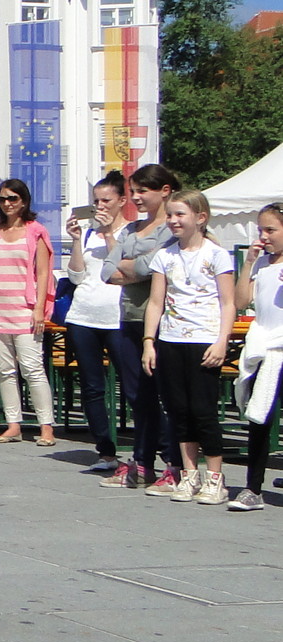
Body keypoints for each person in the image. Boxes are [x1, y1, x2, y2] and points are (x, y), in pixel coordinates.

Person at [142, 190, 235, 504]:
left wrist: (222, 341)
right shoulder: (165, 255)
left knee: (203, 411)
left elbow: (228, 302)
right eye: (170, 215)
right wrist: (149, 342)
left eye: (180, 214)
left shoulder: (216, 254)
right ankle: (188, 473)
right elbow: (155, 302)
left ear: (200, 217)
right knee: (178, 410)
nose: (173, 220)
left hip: (204, 340)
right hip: (171, 340)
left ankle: (215, 477)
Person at [102, 163, 186, 493]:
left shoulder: (172, 228)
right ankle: (142, 463)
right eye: (133, 191)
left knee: (168, 396)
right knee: (138, 395)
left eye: (142, 191)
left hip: (162, 322)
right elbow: (107, 271)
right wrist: (134, 269)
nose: (136, 197)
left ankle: (175, 464)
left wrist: (131, 268)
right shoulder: (130, 230)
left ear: (164, 191)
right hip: (129, 318)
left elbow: (153, 266)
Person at [0, 179, 56, 446]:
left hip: (25, 307)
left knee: (32, 368)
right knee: (5, 370)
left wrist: (39, 308)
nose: (7, 203)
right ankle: (13, 424)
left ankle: (46, 427)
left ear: (24, 201)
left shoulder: (35, 231)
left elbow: (43, 272)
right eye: (3, 199)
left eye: (13, 198)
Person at [62, 173, 137, 476]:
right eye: (96, 201)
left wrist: (108, 234)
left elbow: (124, 268)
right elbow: (76, 276)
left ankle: (148, 451)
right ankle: (105, 450)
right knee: (92, 387)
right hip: (84, 314)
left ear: (122, 201)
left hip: (118, 316)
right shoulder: (89, 234)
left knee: (132, 385)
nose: (100, 206)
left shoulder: (131, 232)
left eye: (106, 200)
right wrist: (76, 240)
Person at [232, 203, 283, 511]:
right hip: (265, 346)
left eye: (271, 230)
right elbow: (241, 301)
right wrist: (249, 263)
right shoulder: (262, 263)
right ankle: (253, 487)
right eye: (261, 230)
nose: (264, 236)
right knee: (259, 417)